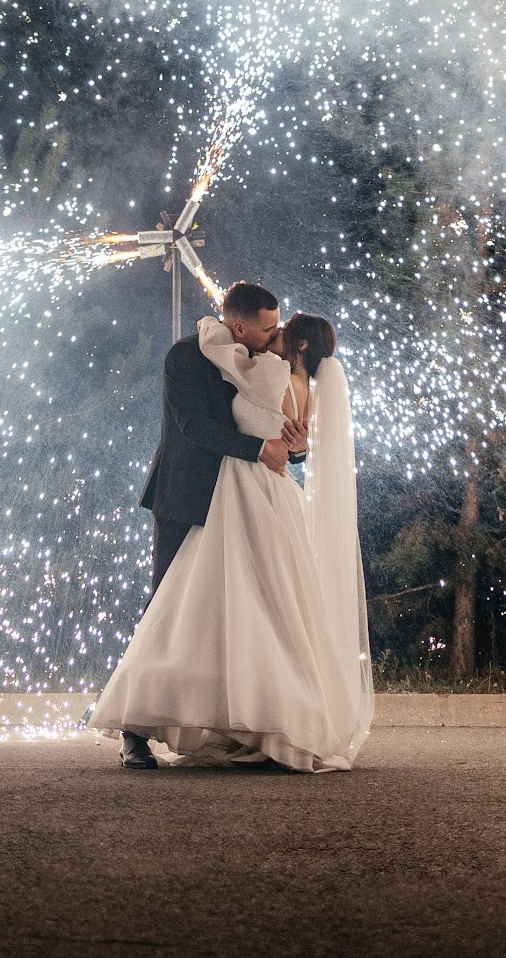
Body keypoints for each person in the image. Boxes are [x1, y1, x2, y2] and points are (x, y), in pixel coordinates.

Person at [93, 282, 373, 772]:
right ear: (239, 325)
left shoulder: (262, 362)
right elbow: (193, 427)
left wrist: (297, 444)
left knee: (248, 610)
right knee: (168, 608)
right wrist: (259, 449)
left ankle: (247, 721)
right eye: (268, 328)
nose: (276, 334)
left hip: (245, 501)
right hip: (187, 497)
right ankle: (134, 730)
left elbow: (279, 425)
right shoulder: (187, 357)